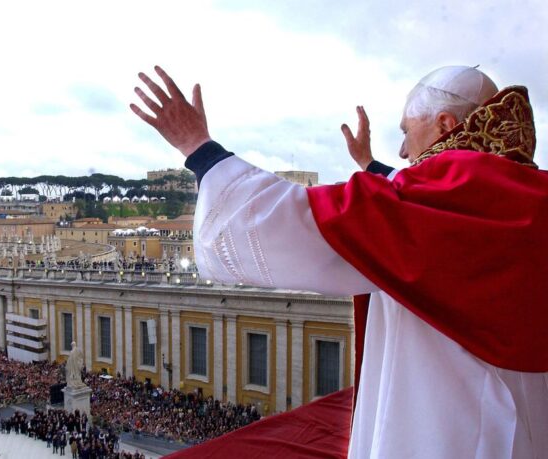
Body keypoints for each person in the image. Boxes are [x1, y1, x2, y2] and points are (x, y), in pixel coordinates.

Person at [131, 65, 548, 457]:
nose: (403, 150)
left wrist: (199, 149)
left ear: (445, 126)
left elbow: (285, 221)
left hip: (452, 430)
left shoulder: (428, 203)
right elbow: (420, 210)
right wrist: (370, 165)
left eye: (406, 131)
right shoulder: (528, 195)